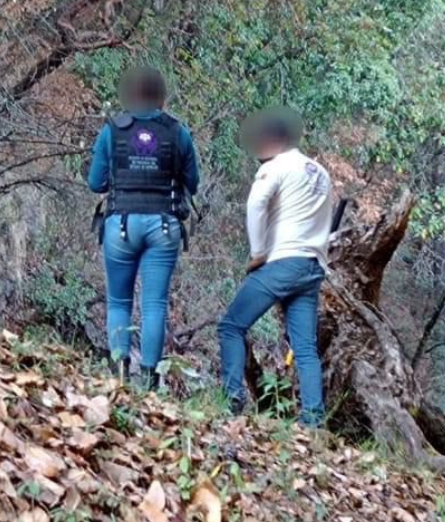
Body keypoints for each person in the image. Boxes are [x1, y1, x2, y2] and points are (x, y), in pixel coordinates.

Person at [218, 108, 337, 426]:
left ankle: (231, 402)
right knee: (305, 348)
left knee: (231, 326)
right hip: (312, 266)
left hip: (282, 262)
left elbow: (255, 204)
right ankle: (313, 420)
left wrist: (258, 253)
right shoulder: (320, 173)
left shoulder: (278, 166)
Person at [87, 66, 200, 388]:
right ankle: (150, 381)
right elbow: (193, 182)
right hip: (163, 226)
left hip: (121, 224)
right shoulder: (178, 132)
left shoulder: (112, 130)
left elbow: (96, 183)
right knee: (154, 304)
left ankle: (120, 375)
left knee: (119, 301)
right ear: (161, 98)